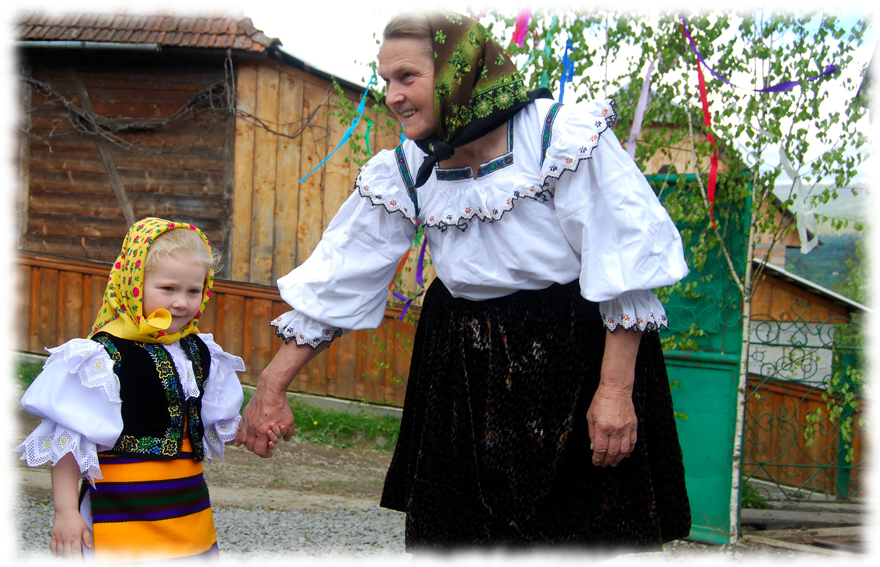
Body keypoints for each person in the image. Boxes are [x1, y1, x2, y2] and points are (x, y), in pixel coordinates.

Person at [237, 10, 691, 551]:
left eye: (407, 78)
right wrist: (271, 387)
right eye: (385, 80)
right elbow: (344, 273)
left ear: (460, 72)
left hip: (578, 357)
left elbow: (625, 266)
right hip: (464, 366)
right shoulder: (407, 166)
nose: (392, 96)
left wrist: (614, 391)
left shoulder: (557, 137)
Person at [15, 218, 245, 562]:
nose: (181, 303)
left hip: (187, 508)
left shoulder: (198, 351)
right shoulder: (102, 357)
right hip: (121, 509)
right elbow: (70, 440)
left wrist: (253, 430)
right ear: (134, 285)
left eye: (193, 291)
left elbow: (213, 422)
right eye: (168, 289)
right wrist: (65, 512)